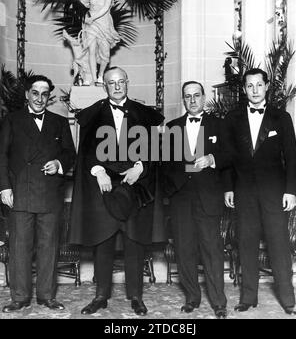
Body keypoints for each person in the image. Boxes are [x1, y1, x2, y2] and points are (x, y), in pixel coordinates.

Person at [69, 66, 164, 315]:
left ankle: (136, 296)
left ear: (128, 83)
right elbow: (86, 151)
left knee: (134, 241)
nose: (118, 86)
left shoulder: (145, 114)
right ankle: (101, 296)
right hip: (104, 188)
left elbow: (156, 149)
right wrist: (98, 170)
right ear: (105, 86)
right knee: (104, 241)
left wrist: (140, 168)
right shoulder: (91, 115)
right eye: (112, 83)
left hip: (135, 187)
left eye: (122, 81)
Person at [223, 68, 296, 315]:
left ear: (266, 86)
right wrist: (228, 188)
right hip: (244, 193)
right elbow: (227, 158)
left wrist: (291, 191)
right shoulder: (232, 119)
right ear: (244, 89)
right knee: (246, 245)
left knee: (279, 246)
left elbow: (292, 157)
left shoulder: (281, 118)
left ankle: (287, 299)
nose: (254, 90)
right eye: (249, 86)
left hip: (274, 194)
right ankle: (248, 297)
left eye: (259, 85)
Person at [0, 75, 76, 312]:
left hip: (49, 193)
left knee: (48, 247)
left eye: (44, 94)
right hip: (20, 192)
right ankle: (19, 297)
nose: (40, 98)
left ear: (48, 97)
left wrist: (58, 164)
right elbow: (1, 156)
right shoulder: (12, 120)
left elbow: (70, 153)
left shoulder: (59, 122)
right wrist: (4, 187)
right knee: (20, 247)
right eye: (35, 93)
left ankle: (46, 296)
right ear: (27, 94)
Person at [162, 81, 229, 319]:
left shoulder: (219, 125)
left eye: (196, 96)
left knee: (212, 250)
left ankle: (219, 302)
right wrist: (173, 190)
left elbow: (231, 155)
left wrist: (211, 158)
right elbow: (165, 165)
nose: (192, 101)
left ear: (203, 97)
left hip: (208, 198)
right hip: (181, 200)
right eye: (187, 97)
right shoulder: (172, 127)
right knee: (184, 250)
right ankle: (192, 297)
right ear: (183, 100)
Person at [79, 0, 120, 85]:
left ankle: (101, 75)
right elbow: (84, 4)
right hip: (91, 24)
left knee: (105, 54)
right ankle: (93, 77)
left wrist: (92, 18)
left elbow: (106, 7)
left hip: (104, 23)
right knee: (91, 50)